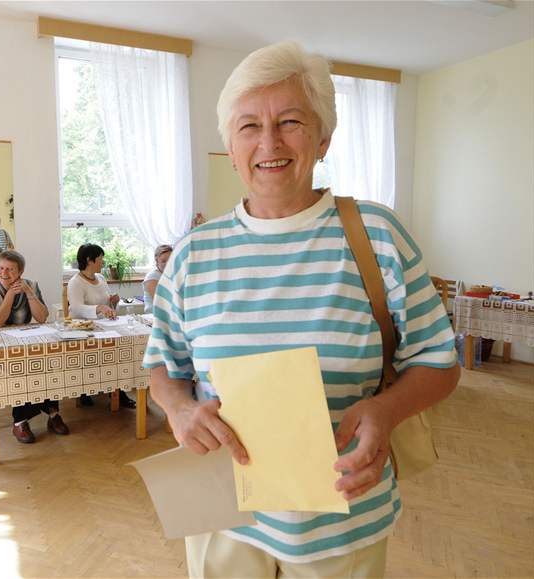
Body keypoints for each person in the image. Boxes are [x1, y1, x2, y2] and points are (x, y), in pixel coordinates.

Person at [144, 42, 459, 578]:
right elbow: (163, 366)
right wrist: (178, 410)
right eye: (249, 126)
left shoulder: (376, 236)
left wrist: (386, 411)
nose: (269, 142)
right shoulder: (195, 253)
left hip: (342, 516)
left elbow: (440, 362)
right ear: (230, 142)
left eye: (290, 121)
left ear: (323, 138)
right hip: (222, 511)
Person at [0, 250, 69, 443]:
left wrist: (29, 292)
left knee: (48, 361)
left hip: (25, 338)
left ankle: (53, 414)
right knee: (23, 367)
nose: (4, 273)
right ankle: (20, 421)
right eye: (1, 267)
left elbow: (42, 317)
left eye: (10, 269)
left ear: (20, 271)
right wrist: (11, 294)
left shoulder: (31, 285)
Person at [67, 243, 136, 409]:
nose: (103, 262)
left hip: (104, 327)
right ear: (89, 260)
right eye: (100, 259)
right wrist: (98, 307)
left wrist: (113, 302)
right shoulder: (75, 282)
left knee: (121, 348)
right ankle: (84, 390)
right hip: (83, 328)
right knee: (95, 351)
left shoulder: (102, 279)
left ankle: (118, 391)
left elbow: (108, 307)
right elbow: (75, 308)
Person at [142, 244, 172, 313]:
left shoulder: (174, 275)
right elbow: (161, 302)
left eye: (170, 260)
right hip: (153, 316)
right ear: (157, 262)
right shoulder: (152, 276)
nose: (167, 264)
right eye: (164, 261)